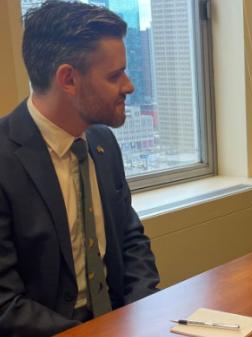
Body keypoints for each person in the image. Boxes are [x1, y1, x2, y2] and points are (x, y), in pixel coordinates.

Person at [0, 2, 160, 336]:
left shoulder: (102, 142)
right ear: (68, 79)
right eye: (114, 75)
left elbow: (131, 239)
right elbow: (5, 304)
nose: (129, 86)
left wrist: (143, 314)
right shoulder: (5, 159)